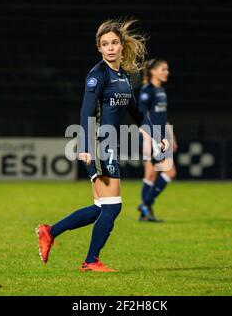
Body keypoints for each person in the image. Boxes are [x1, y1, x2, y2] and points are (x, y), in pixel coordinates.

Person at [36, 19, 169, 272]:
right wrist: (86, 146)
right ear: (99, 48)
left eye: (114, 43)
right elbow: (86, 110)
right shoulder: (97, 75)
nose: (110, 48)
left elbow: (136, 113)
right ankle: (90, 261)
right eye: (105, 44)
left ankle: (49, 231)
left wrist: (157, 134)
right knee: (113, 206)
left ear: (122, 46)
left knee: (99, 208)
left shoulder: (124, 77)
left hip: (108, 143)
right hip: (98, 143)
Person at [137, 58, 177, 222]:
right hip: (152, 136)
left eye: (167, 69)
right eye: (163, 69)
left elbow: (163, 117)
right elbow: (141, 116)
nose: (167, 72)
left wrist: (171, 136)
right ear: (153, 71)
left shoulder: (161, 91)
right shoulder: (148, 90)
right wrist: (148, 139)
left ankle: (144, 212)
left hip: (161, 136)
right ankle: (146, 204)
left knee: (151, 174)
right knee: (169, 171)